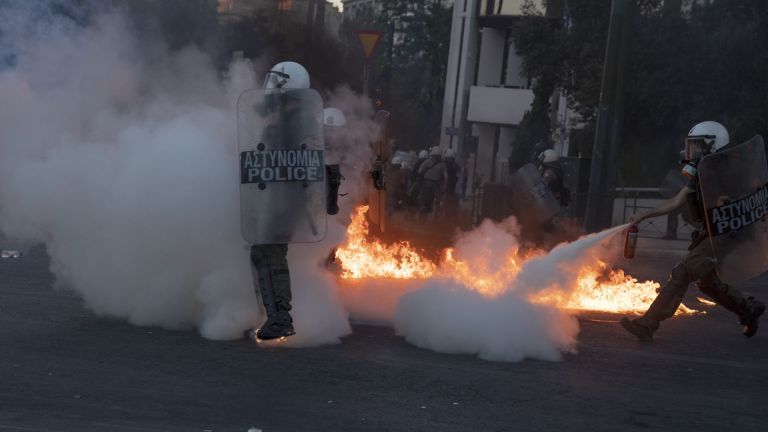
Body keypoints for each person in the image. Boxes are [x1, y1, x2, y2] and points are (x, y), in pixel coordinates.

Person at [620, 121, 765, 341]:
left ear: (712, 144)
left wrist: (728, 200)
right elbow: (677, 201)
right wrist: (643, 215)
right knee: (706, 283)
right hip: (711, 232)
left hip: (728, 233)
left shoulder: (733, 168)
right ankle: (748, 309)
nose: (692, 150)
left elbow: (748, 193)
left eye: (697, 145)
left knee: (683, 273)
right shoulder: (702, 172)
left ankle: (648, 324)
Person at [243, 61, 341, 341]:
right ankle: (271, 315)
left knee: (268, 250)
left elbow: (294, 159)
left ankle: (280, 318)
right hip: (282, 193)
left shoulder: (298, 120)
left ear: (288, 85)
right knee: (261, 250)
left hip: (287, 196)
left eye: (275, 81)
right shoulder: (293, 117)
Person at [417, 147, 448, 216]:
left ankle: (422, 209)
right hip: (436, 185)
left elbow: (419, 171)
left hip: (426, 184)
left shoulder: (427, 162)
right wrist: (444, 186)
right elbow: (446, 176)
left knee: (423, 198)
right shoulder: (442, 165)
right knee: (437, 199)